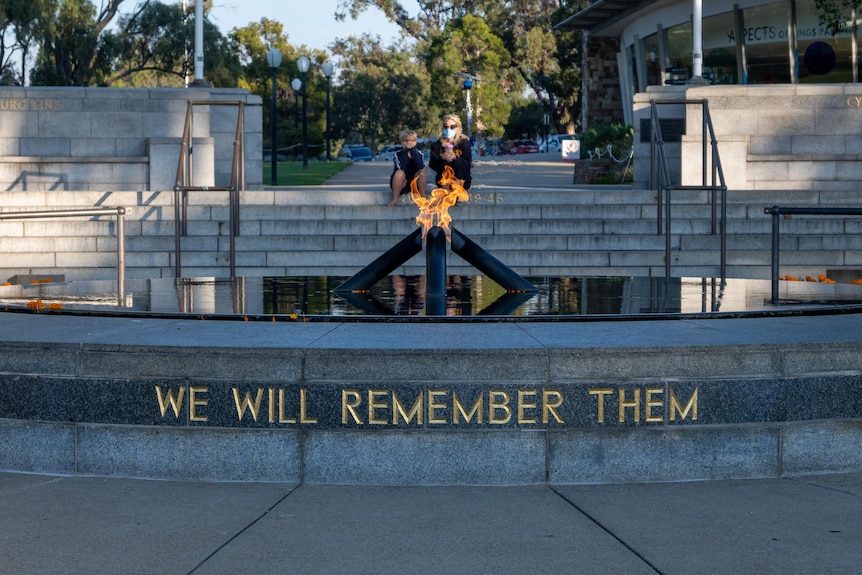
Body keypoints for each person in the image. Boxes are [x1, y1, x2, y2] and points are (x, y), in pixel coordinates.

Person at [429, 114, 472, 190]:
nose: (449, 129)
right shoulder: (437, 144)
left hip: (461, 178)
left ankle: (456, 193)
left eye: (452, 127)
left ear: (458, 128)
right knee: (445, 163)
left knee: (457, 162)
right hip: (443, 179)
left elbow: (468, 164)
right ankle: (447, 194)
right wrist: (442, 158)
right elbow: (432, 164)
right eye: (446, 127)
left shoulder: (464, 143)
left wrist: (455, 158)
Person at [387, 129, 427, 206]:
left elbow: (419, 166)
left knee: (422, 172)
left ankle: (423, 197)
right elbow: (402, 166)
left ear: (415, 142)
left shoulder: (419, 153)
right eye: (405, 141)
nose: (409, 143)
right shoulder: (398, 153)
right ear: (401, 142)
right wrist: (406, 153)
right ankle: (395, 199)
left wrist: (412, 152)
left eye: (411, 141)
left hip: (415, 182)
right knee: (399, 173)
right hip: (402, 182)